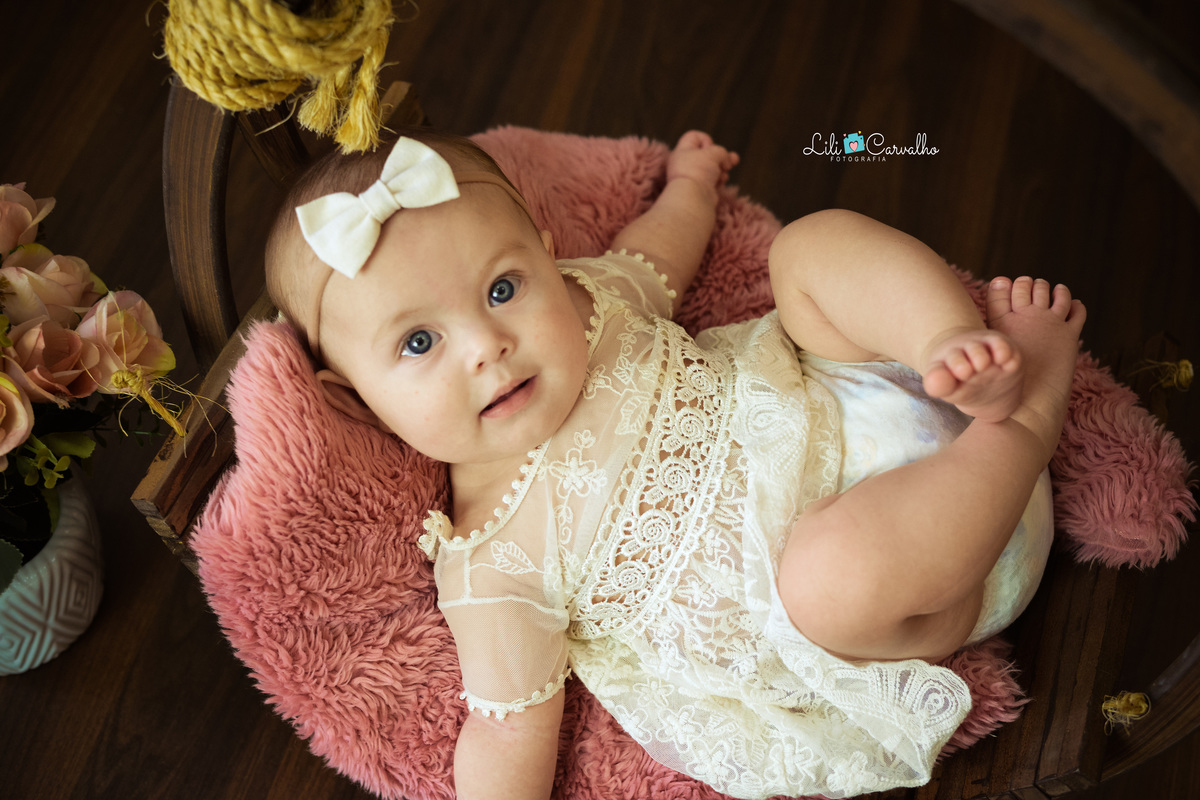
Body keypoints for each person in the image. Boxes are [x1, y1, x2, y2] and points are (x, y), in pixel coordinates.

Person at [264, 127, 1085, 800]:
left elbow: (659, 251)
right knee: (831, 575)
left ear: (549, 259)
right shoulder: (491, 564)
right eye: (418, 342)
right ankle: (1028, 421)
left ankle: (952, 344)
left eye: (505, 288)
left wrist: (689, 186)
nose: (487, 347)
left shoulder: (593, 301)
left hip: (863, 394)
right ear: (354, 400)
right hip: (933, 577)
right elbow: (508, 728)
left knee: (806, 253)